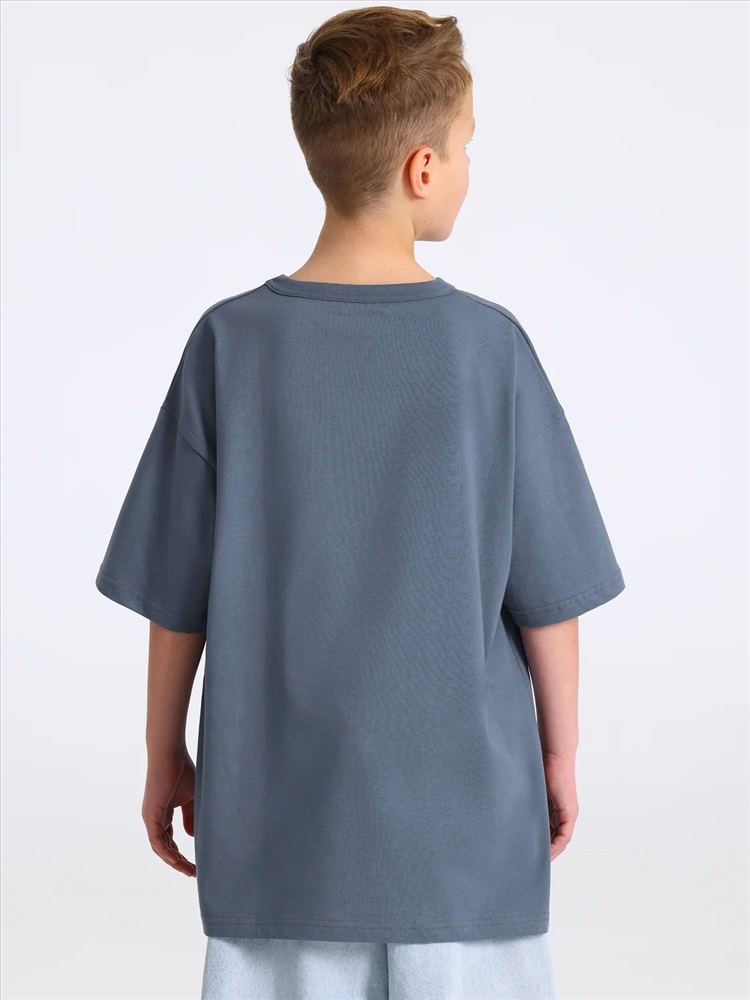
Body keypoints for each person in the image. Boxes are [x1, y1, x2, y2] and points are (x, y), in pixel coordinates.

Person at [94, 6, 626, 998]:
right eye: (467, 145)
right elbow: (550, 597)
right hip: (463, 841)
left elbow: (178, 595)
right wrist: (559, 753)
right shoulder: (490, 350)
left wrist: (164, 752)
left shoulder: (230, 345)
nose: (470, 165)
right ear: (423, 168)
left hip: (279, 835)